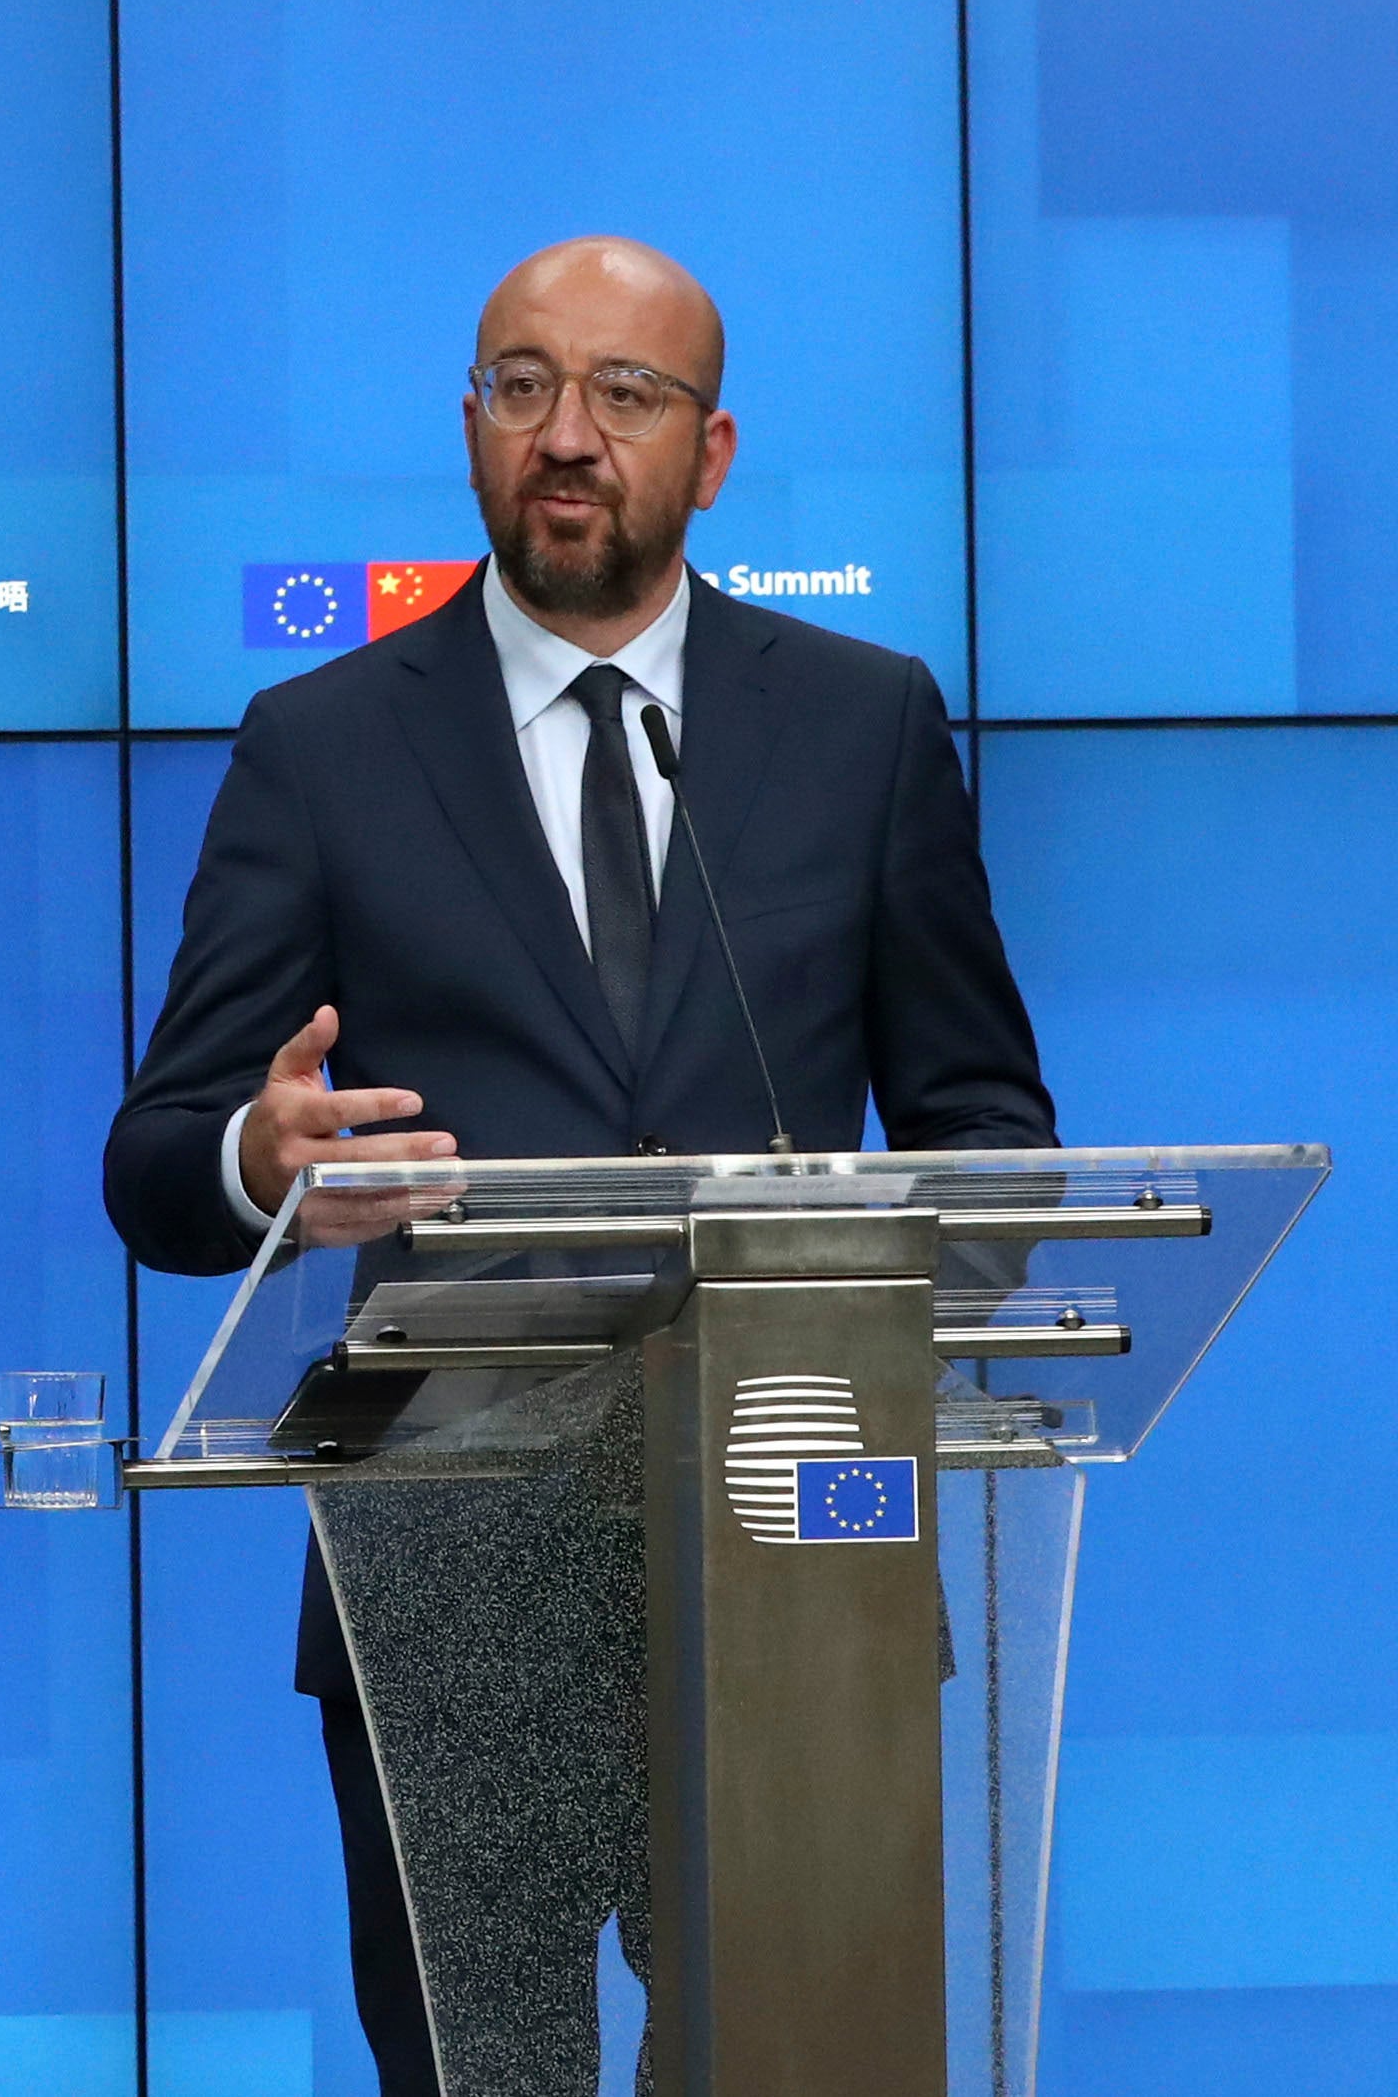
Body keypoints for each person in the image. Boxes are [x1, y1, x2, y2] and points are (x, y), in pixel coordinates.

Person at [104, 238, 1052, 2093]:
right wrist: (257, 1152)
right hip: (448, 1576)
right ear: (472, 429)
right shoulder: (326, 748)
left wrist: (850, 1308)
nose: (569, 433)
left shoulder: (861, 729)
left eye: (627, 395)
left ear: (708, 454)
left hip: (793, 1545)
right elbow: (157, 1168)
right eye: (523, 385)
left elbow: (991, 1152)